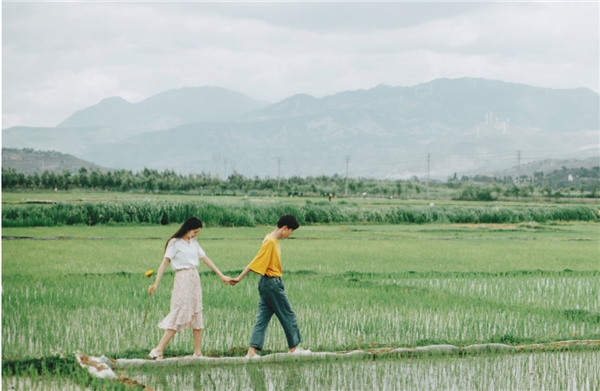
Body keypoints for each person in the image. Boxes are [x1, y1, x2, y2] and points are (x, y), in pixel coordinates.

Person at [148, 216, 231, 360]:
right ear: (187, 229)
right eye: (195, 232)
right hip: (182, 278)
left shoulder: (194, 242)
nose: (196, 235)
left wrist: (221, 275)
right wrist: (156, 283)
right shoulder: (174, 243)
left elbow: (205, 259)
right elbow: (164, 263)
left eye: (197, 232)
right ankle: (158, 350)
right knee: (180, 312)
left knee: (197, 314)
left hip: (194, 278)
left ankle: (197, 353)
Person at [230, 214, 311, 358]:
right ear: (285, 228)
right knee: (288, 315)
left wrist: (239, 278)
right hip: (272, 283)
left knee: (262, 318)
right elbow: (256, 261)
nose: (291, 234)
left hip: (267, 283)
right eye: (291, 231)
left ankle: (251, 353)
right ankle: (293, 348)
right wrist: (239, 277)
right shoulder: (270, 242)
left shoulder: (271, 238)